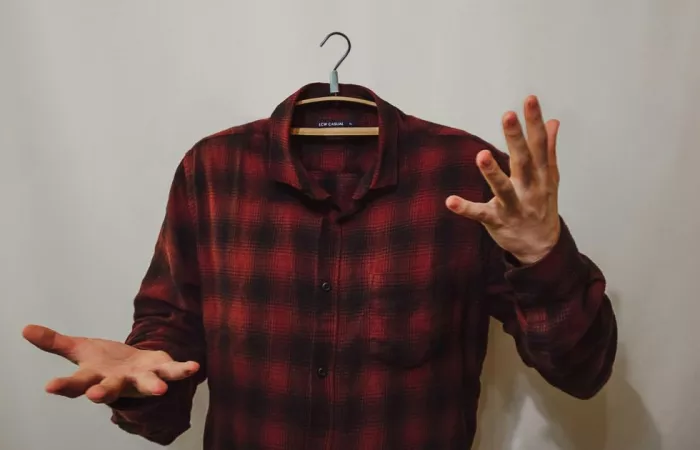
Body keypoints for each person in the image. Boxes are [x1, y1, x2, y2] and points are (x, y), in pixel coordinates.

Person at [23, 86, 617, 450]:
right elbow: (170, 332)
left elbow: (582, 370)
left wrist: (542, 256)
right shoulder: (213, 170)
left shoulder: (468, 176)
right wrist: (144, 374)